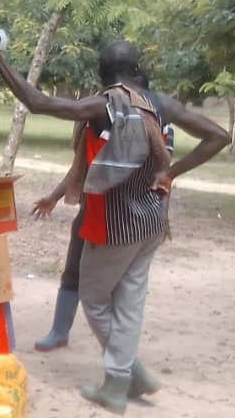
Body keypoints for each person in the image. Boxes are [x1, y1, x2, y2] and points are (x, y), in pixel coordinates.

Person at [0, 38, 229, 413]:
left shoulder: (104, 104)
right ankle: (127, 376)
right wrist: (171, 171)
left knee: (96, 299)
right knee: (130, 301)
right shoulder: (161, 104)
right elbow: (220, 136)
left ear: (102, 76)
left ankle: (121, 376)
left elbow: (38, 102)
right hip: (152, 221)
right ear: (137, 71)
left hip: (114, 225)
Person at [31, 74, 174, 353]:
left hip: (125, 220)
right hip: (94, 211)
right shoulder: (103, 117)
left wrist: (160, 215)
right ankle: (61, 332)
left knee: (111, 291)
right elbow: (82, 169)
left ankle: (121, 358)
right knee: (75, 270)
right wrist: (53, 197)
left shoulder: (150, 123)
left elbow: (165, 173)